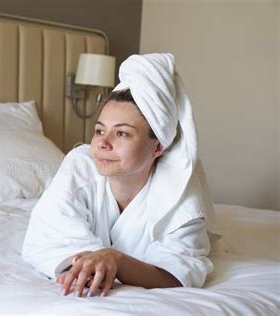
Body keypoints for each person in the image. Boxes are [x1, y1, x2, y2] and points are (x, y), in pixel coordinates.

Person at [21, 53, 220, 298]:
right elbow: (49, 238)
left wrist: (116, 260)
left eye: (122, 133)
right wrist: (96, 262)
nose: (102, 143)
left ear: (157, 147)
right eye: (99, 130)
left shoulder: (179, 185)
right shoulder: (80, 165)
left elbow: (180, 270)